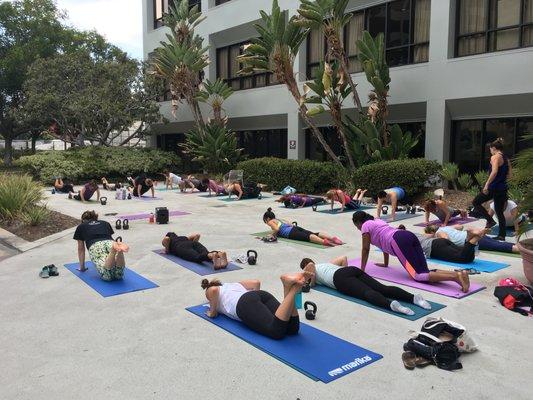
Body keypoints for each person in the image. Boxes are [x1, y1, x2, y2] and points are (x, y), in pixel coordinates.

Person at [351, 211, 470, 292]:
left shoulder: (365, 226)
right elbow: (382, 241)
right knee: (424, 271)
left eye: (356, 225)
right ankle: (460, 275)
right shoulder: (377, 221)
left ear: (358, 222)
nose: (357, 228)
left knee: (418, 275)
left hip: (398, 242)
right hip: (407, 235)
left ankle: (455, 276)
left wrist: (362, 270)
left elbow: (365, 249)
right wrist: (386, 263)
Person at [300, 256, 431, 316]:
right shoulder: (326, 263)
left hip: (339, 279)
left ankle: (390, 305)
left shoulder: (311, 267)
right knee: (382, 288)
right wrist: (346, 273)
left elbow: (310, 266)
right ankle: (414, 298)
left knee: (366, 293)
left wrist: (310, 281)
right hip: (350, 270)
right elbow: (343, 258)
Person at [201, 271, 313, 340]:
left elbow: (213, 290)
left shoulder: (211, 289)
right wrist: (258, 307)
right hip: (260, 295)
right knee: (292, 329)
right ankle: (287, 286)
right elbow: (256, 283)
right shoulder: (232, 284)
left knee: (276, 331)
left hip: (244, 303)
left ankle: (294, 289)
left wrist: (212, 312)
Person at [472, 138, 512, 240]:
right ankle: (502, 235)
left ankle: (490, 220)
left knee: (476, 202)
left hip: (493, 187)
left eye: (490, 149)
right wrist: (503, 182)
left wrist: (486, 185)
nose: (490, 151)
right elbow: (510, 175)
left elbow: (494, 172)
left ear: (493, 148)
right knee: (499, 212)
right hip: (502, 188)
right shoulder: (506, 158)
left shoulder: (495, 157)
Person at [73, 210, 129, 281]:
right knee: (119, 275)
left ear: (83, 220)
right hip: (110, 242)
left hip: (96, 245)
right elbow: (109, 237)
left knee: (107, 277)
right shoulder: (105, 223)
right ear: (96, 218)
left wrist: (82, 268)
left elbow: (81, 249)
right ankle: (119, 250)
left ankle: (113, 251)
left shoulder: (81, 226)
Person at [262, 208, 342, 246]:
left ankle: (324, 242)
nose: (267, 223)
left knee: (308, 237)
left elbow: (276, 229)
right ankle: (333, 238)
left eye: (265, 221)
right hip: (294, 228)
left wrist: (272, 235)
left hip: (290, 233)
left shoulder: (270, 221)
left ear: (267, 218)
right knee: (314, 233)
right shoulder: (278, 219)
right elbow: (290, 224)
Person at [425, 224, 519, 254]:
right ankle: (521, 248)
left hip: (473, 240)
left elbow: (446, 239)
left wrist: (456, 249)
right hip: (470, 235)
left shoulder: (438, 233)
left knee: (500, 246)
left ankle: (520, 250)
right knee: (499, 243)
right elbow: (460, 226)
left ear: (432, 232)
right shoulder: (445, 228)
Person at [414, 226, 482, 264]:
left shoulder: (407, 239)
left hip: (434, 247)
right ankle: (469, 238)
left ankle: (476, 238)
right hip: (439, 242)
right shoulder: (416, 234)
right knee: (470, 257)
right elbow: (431, 235)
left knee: (463, 258)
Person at [162, 232, 228, 269]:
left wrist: (167, 250)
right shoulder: (184, 237)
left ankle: (213, 255)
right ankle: (219, 254)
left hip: (181, 247)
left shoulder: (171, 240)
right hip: (193, 243)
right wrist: (193, 246)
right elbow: (197, 235)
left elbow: (167, 239)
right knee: (205, 253)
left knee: (197, 257)